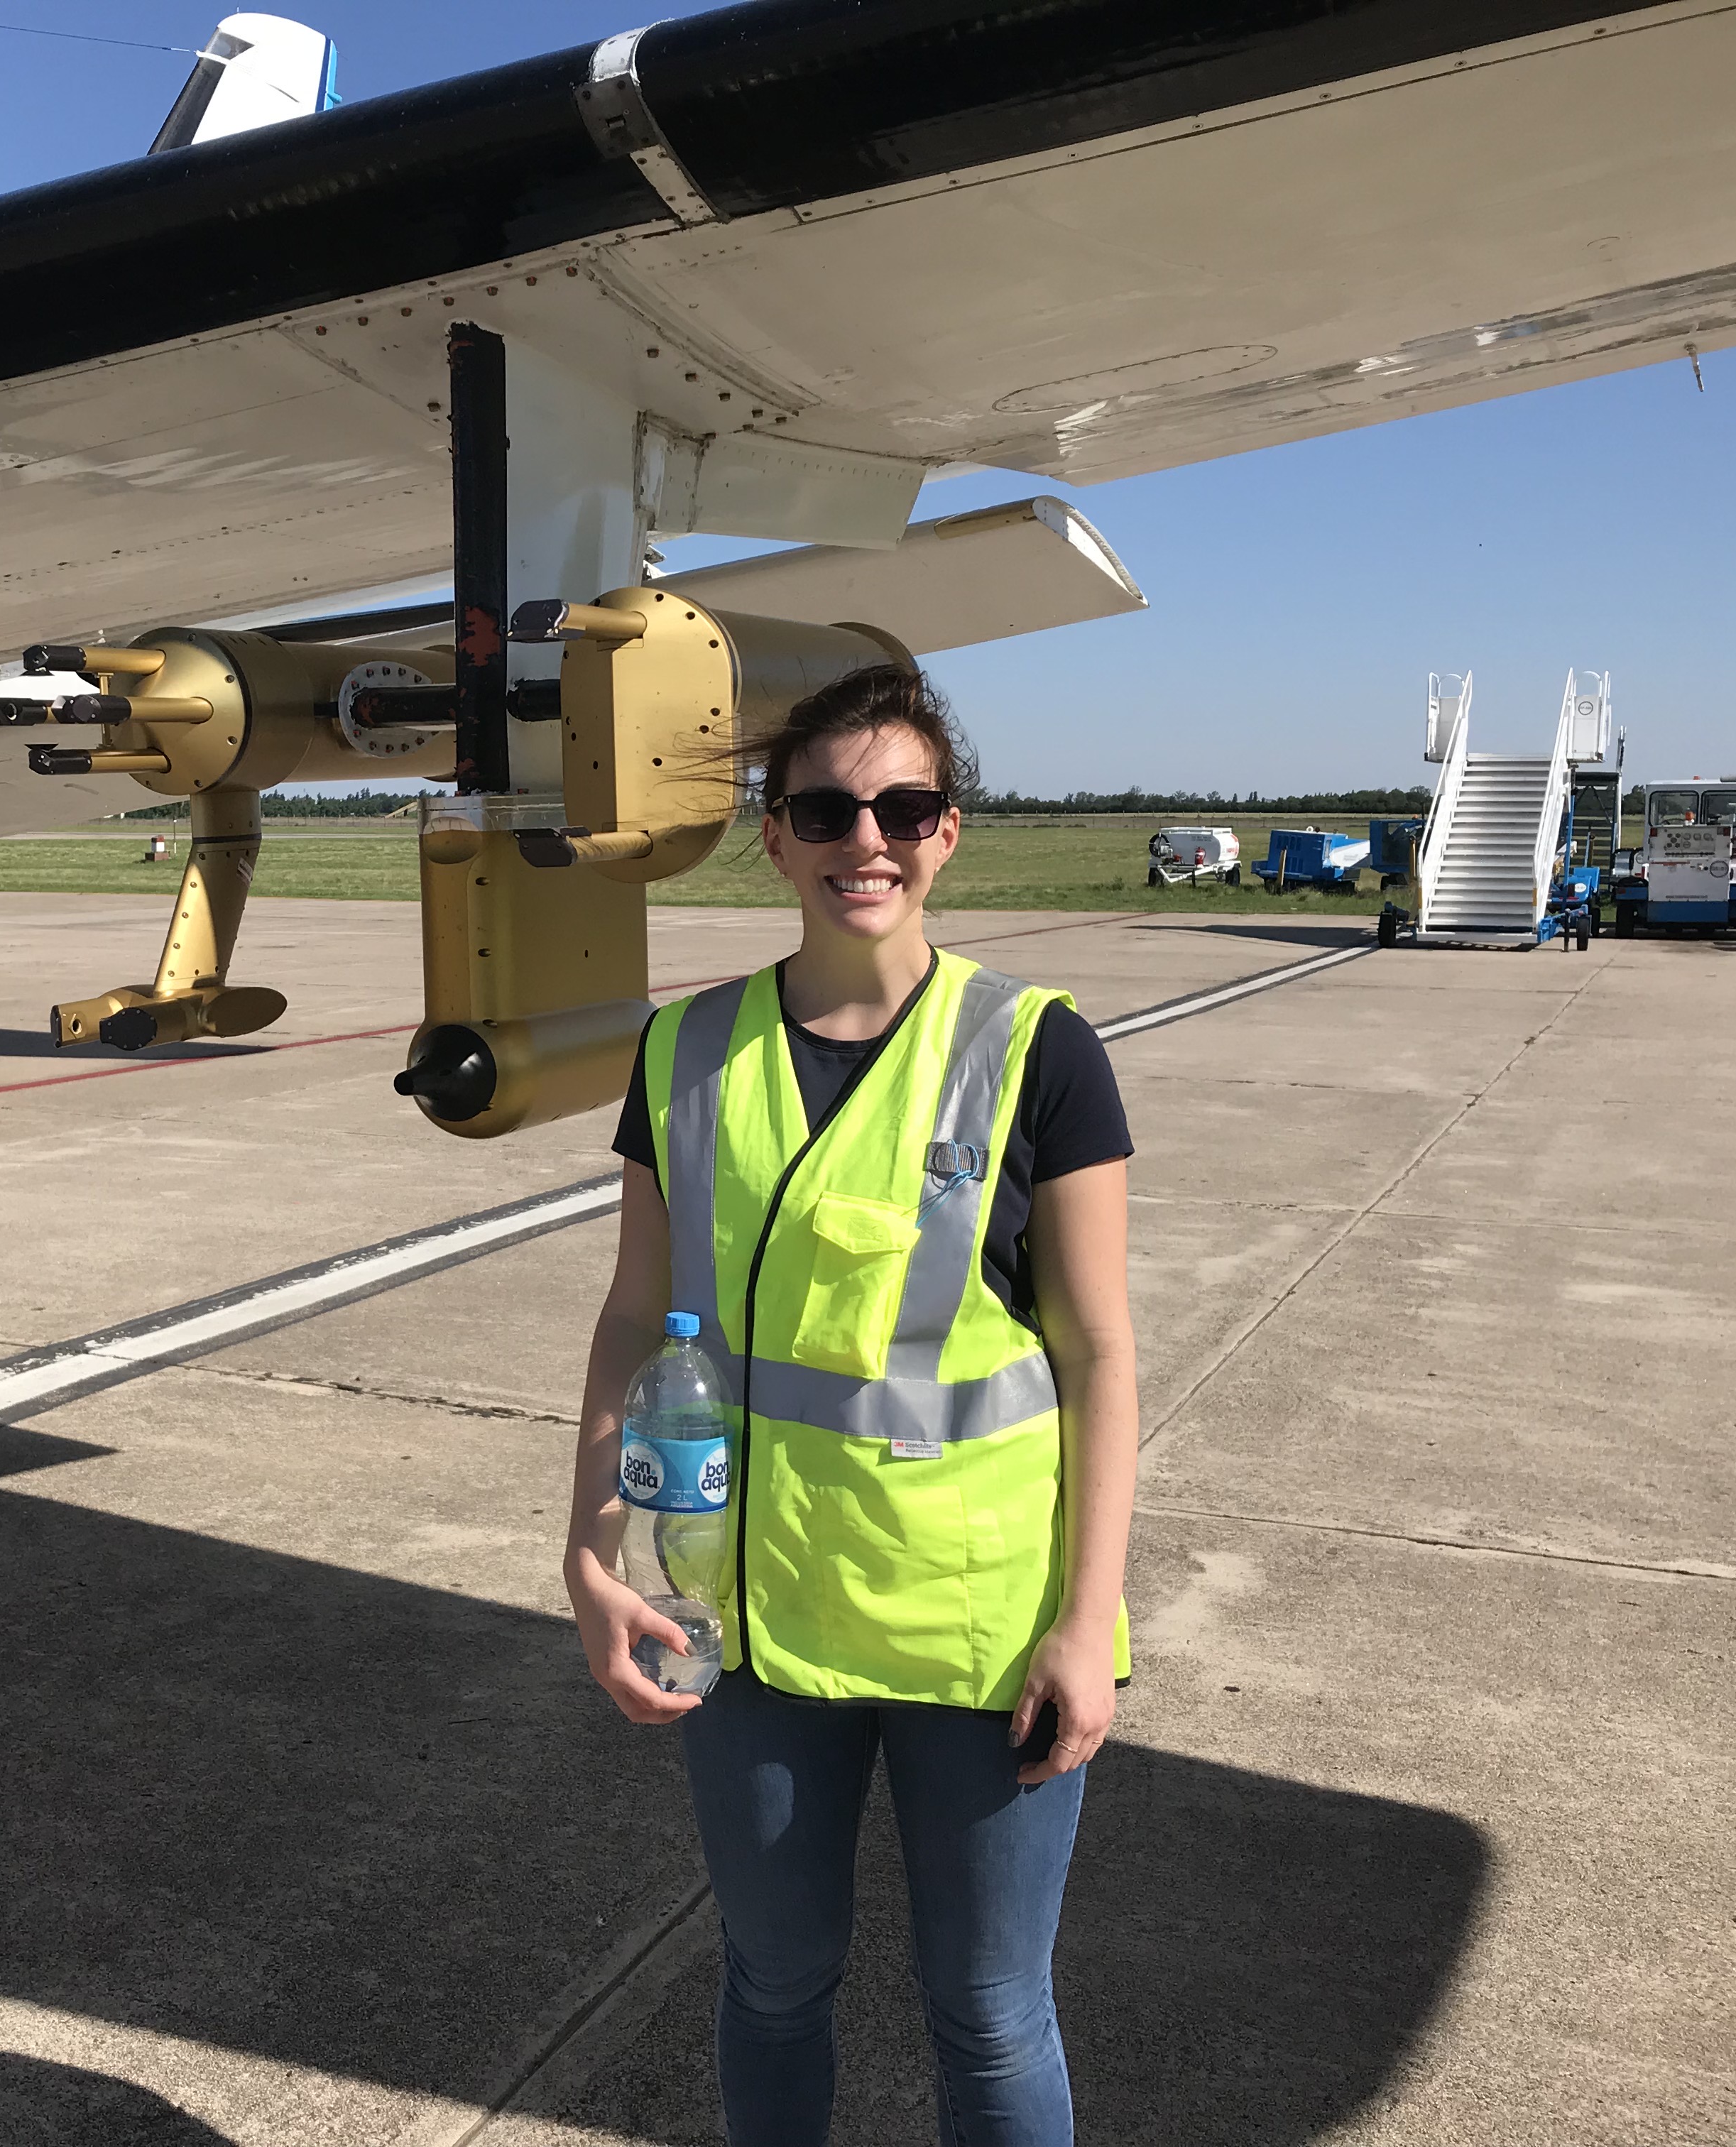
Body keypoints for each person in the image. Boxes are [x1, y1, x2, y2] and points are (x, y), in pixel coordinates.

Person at [562, 664, 1139, 2147]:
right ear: (775, 834)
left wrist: (1090, 1621)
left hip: (976, 1620)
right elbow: (636, 1313)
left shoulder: (1036, 1051)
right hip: (742, 1616)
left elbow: (1098, 1352)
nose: (863, 838)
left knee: (992, 2009)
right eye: (826, 806)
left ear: (950, 834)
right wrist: (589, 1550)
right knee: (771, 1982)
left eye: (903, 806)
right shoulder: (685, 1050)